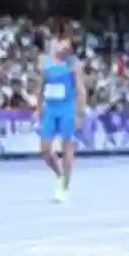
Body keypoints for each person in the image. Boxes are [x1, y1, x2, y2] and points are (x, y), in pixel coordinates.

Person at [35, 35, 84, 202]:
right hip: (50, 109)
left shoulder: (74, 65)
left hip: (67, 109)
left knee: (67, 148)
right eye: (60, 42)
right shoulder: (46, 63)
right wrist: (38, 108)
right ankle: (59, 174)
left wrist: (79, 114)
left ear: (70, 49)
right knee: (45, 149)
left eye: (65, 44)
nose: (61, 45)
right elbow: (41, 87)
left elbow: (80, 90)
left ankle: (65, 186)